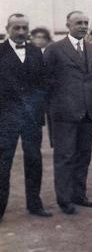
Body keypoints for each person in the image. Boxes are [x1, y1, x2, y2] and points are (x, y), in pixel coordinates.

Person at [44, 11, 92, 214]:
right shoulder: (54, 50)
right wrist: (53, 110)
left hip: (87, 113)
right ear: (68, 24)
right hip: (64, 115)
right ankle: (64, 199)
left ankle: (79, 194)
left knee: (84, 156)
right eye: (78, 23)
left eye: (86, 23)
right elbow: (46, 84)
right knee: (65, 156)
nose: (83, 26)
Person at [0, 14, 52, 221]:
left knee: (34, 160)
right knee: (3, 163)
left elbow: (44, 82)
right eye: (17, 28)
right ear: (8, 29)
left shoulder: (35, 51)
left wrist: (36, 104)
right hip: (6, 118)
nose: (21, 32)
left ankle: (34, 204)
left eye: (24, 28)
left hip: (31, 118)